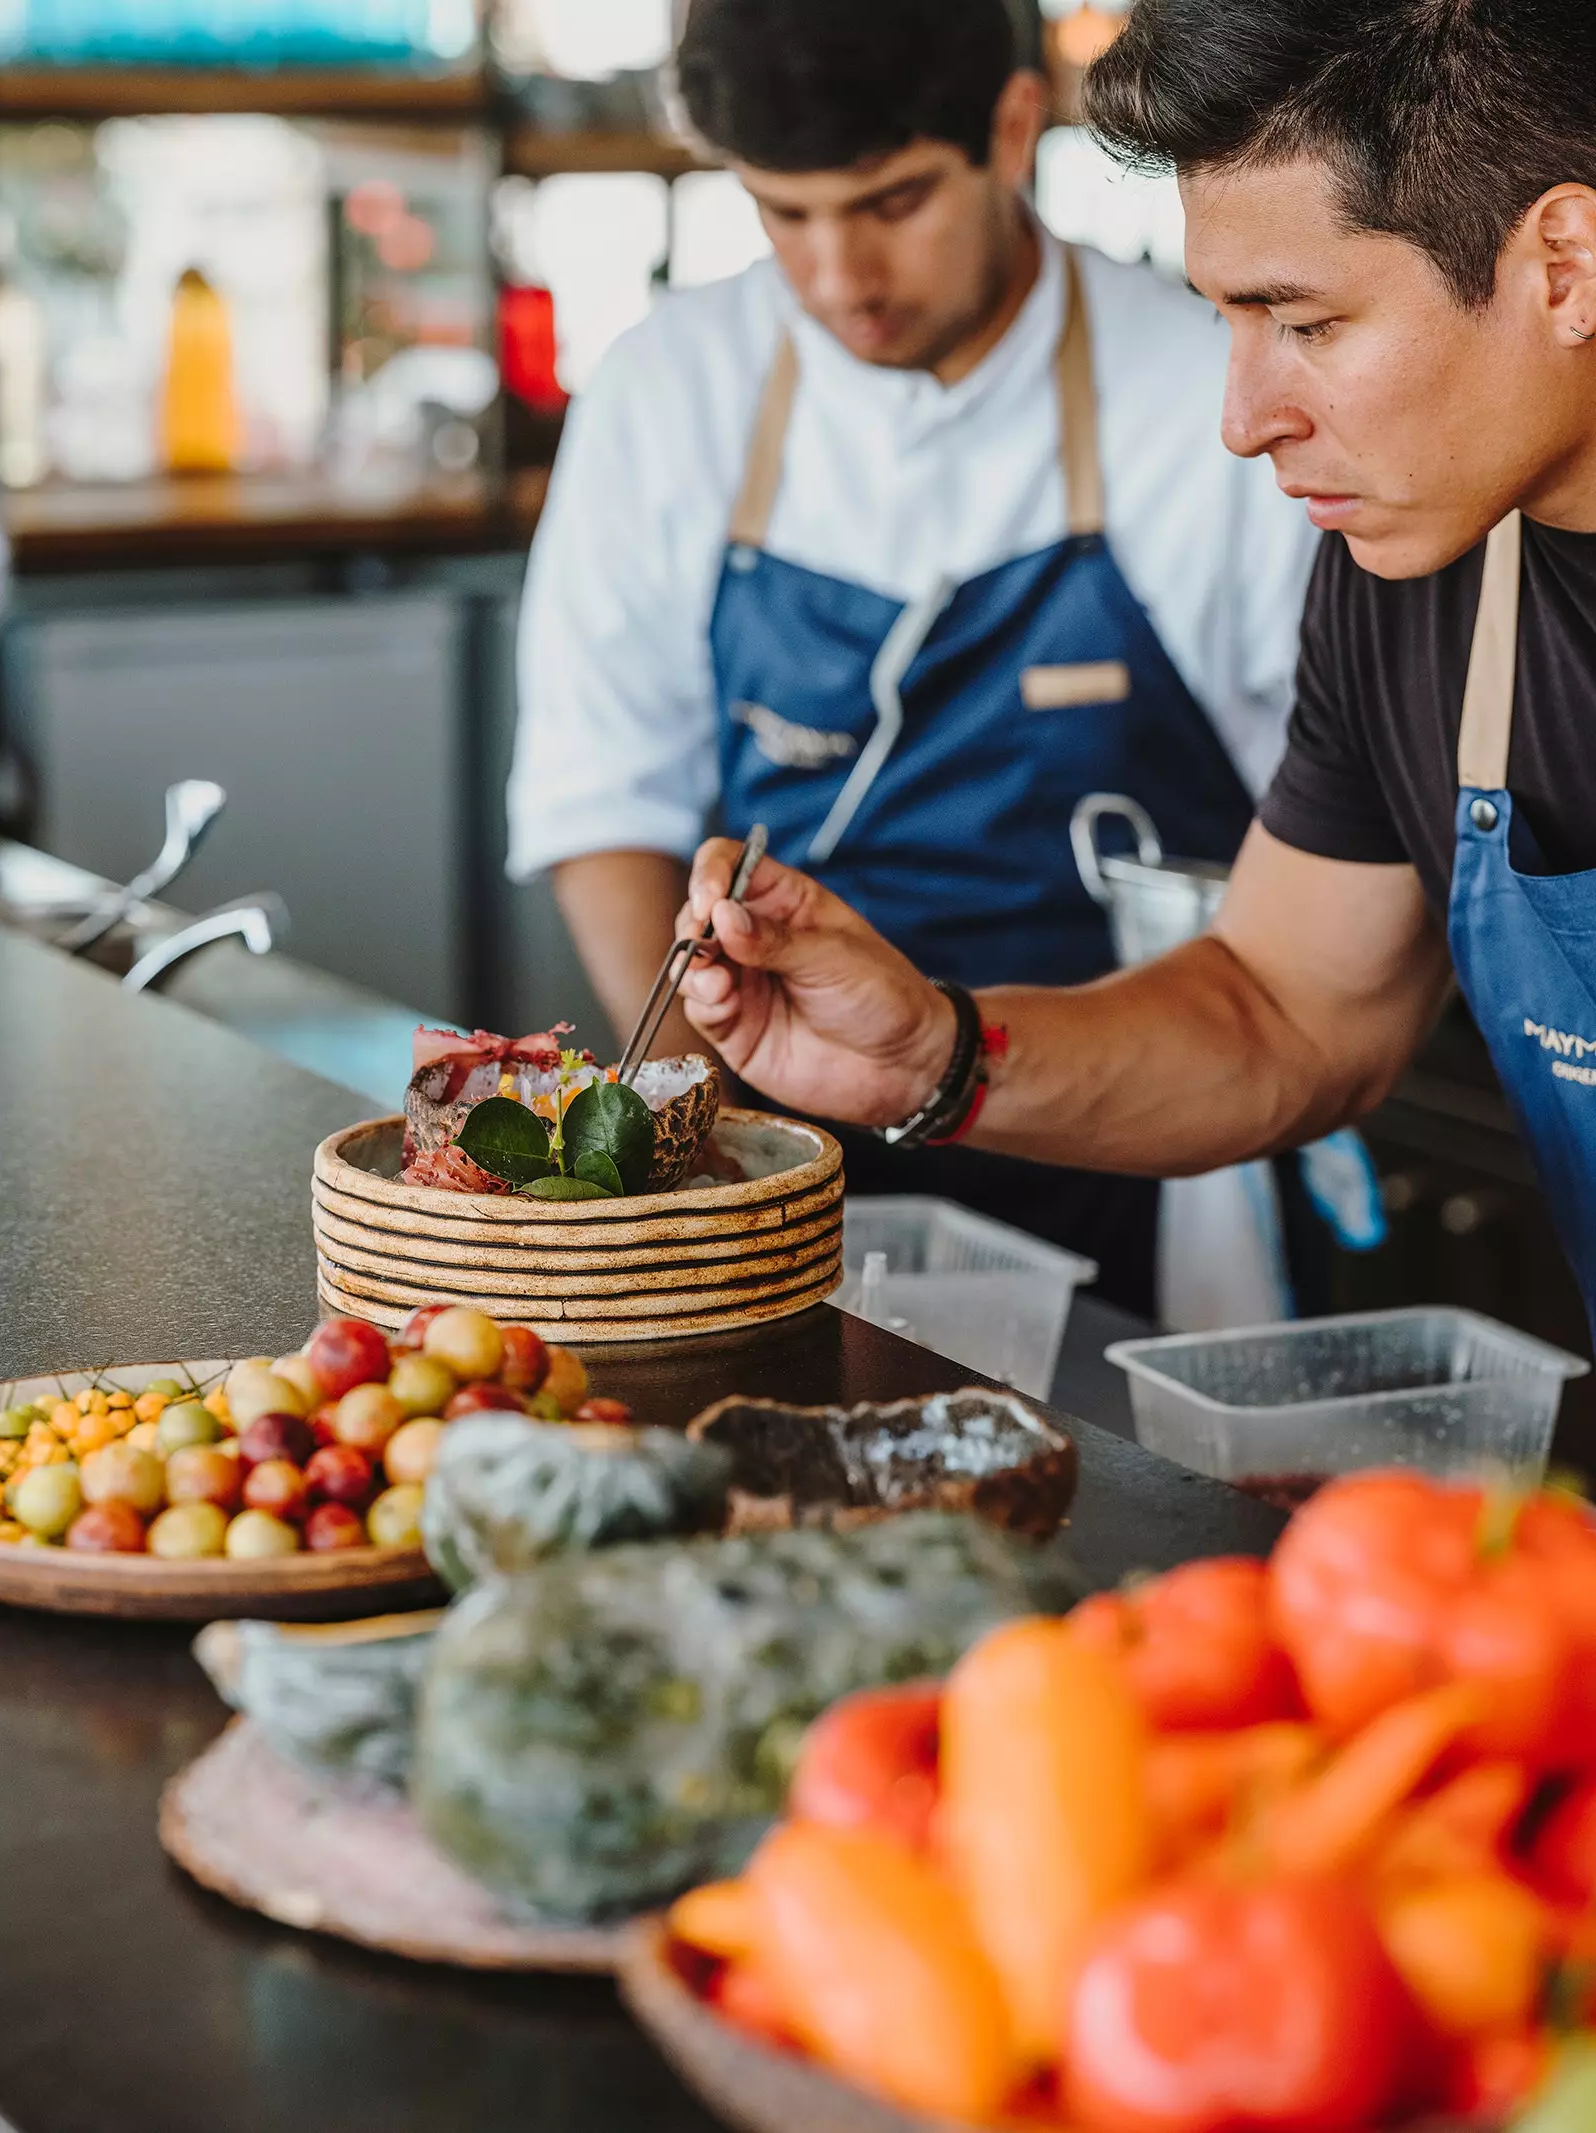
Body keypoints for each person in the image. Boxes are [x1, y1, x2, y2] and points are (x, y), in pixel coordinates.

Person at [673, 0, 1596, 1334]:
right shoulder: (1416, 576)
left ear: (1565, 265)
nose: (1242, 422)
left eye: (1309, 325)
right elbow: (1289, 1012)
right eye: (1224, 318)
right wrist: (932, 1053)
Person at [507, 0, 1318, 1316]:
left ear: (1009, 129)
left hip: (1141, 1146)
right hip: (780, 1157)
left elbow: (1326, 833)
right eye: (785, 216)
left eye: (889, 205)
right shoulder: (669, 389)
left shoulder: (1201, 396)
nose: (838, 279)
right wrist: (703, 1138)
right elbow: (601, 796)